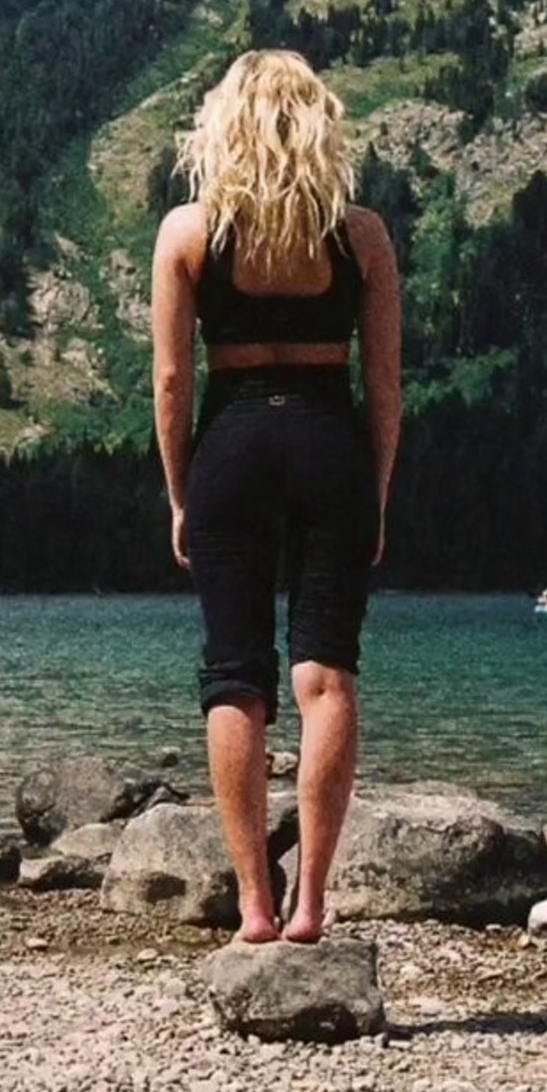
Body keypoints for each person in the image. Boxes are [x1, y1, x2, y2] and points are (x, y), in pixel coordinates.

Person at [151, 49, 402, 943]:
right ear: (319, 127)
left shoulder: (189, 232)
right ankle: (312, 905)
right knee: (325, 675)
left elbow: (173, 382)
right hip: (329, 443)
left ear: (223, 128)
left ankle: (254, 903)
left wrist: (181, 493)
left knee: (236, 675)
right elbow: (386, 386)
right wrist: (376, 489)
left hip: (232, 446)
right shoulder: (360, 236)